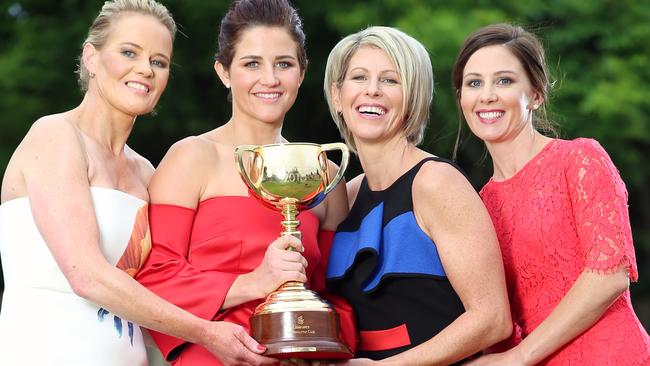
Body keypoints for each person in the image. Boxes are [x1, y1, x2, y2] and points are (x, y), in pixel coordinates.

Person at [0, 1, 273, 365]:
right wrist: (207, 332)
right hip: (48, 351)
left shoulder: (147, 173)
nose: (145, 69)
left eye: (158, 61)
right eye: (129, 52)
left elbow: (164, 282)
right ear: (91, 58)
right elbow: (87, 276)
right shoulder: (55, 135)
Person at [134, 0, 354, 364]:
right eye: (252, 63)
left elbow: (336, 292)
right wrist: (253, 283)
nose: (269, 79)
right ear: (223, 72)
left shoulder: (325, 175)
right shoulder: (191, 157)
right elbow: (154, 276)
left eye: (283, 64)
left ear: (301, 72)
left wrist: (321, 347)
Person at [452, 23, 650, 365]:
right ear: (462, 99)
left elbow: (609, 276)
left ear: (537, 93)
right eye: (474, 83)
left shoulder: (580, 159)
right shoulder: (478, 204)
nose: (486, 95)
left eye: (504, 80)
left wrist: (518, 357)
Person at [322, 26, 512, 365]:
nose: (373, 91)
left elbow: (493, 318)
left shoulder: (436, 183)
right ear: (338, 95)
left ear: (413, 97)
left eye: (391, 81)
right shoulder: (344, 197)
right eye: (359, 77)